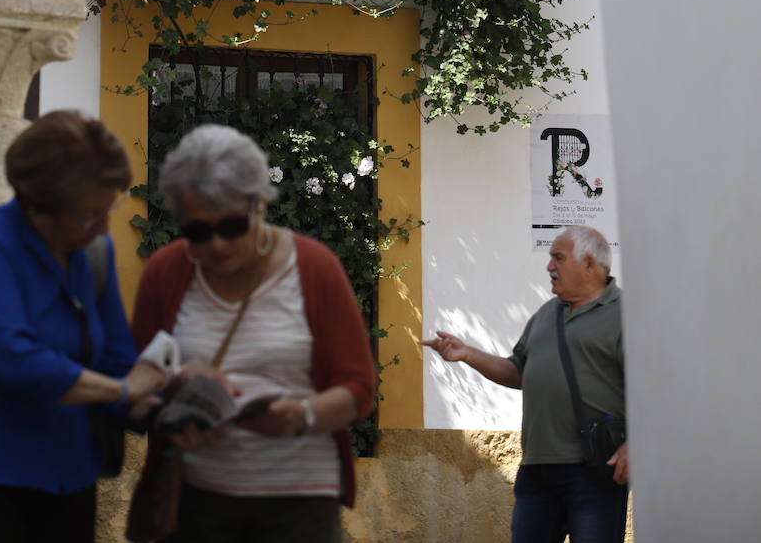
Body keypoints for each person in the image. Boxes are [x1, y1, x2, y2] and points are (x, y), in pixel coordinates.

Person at [0, 110, 166, 543]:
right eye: (89, 215)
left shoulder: (92, 255)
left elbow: (120, 363)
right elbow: (17, 362)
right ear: (40, 208)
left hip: (65, 476)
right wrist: (123, 390)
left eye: (110, 210)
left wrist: (163, 404)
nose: (104, 228)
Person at [130, 123, 376, 543]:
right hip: (193, 502)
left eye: (231, 227)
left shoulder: (314, 267)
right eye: (198, 232)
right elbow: (131, 389)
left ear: (259, 205)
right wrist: (170, 407)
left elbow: (358, 389)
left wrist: (303, 416)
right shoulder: (166, 272)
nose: (217, 246)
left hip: (299, 508)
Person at [423, 225, 627, 543]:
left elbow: (652, 388)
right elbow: (519, 372)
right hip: (537, 469)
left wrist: (636, 444)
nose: (549, 267)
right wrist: (467, 354)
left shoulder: (624, 314)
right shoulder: (546, 315)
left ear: (589, 264)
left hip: (594, 470)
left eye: (558, 258)